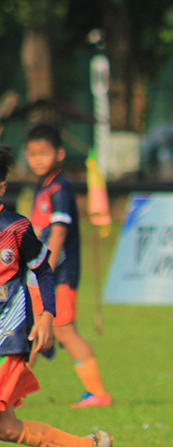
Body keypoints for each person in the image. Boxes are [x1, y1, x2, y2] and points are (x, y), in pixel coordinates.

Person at [0, 144, 113, 447]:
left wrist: (48, 315)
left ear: (2, 187)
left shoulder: (15, 228)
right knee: (7, 428)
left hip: (9, 338)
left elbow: (44, 271)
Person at [24, 123, 112, 408]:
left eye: (43, 153)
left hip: (57, 274)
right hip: (40, 272)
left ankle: (98, 393)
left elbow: (59, 231)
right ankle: (12, 392)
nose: (37, 159)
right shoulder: (43, 186)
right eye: (32, 153)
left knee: (62, 329)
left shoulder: (60, 188)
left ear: (59, 154)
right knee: (31, 329)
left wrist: (44, 269)